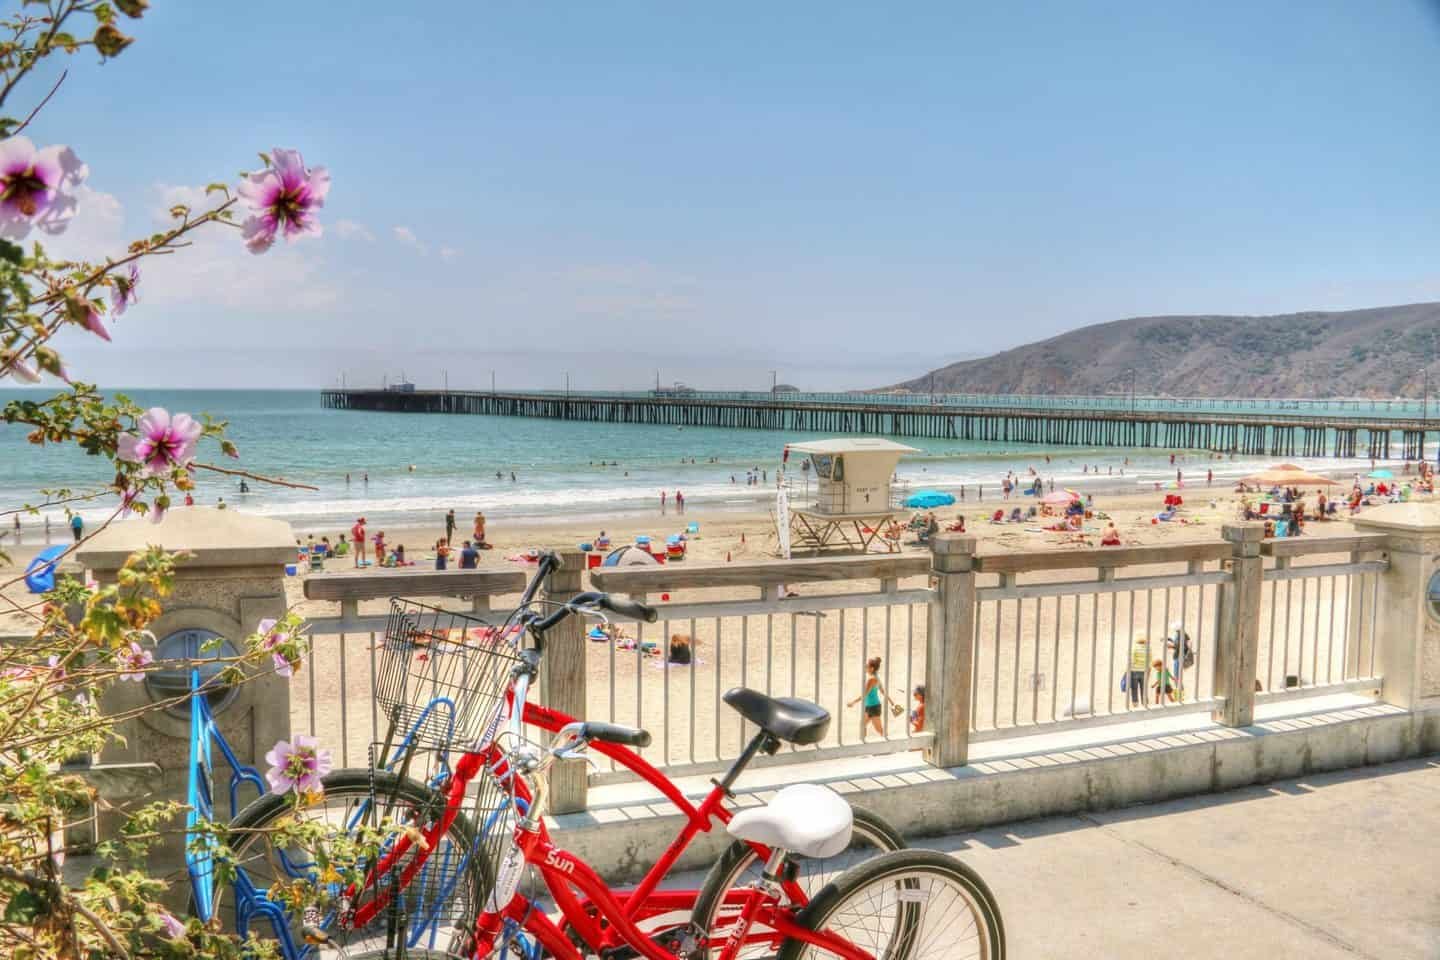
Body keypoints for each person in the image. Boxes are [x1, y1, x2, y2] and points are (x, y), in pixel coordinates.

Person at [847, 656, 897, 739]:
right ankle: (863, 744)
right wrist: (892, 703)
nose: (865, 667)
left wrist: (853, 702)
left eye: (867, 666)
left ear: (872, 668)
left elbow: (864, 694)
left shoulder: (872, 680)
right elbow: (883, 691)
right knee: (862, 725)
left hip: (874, 707)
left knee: (879, 729)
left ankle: (889, 745)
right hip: (870, 706)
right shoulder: (876, 678)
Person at [1125, 633, 1149, 706]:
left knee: (1134, 688)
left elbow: (1132, 660)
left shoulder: (1134, 648)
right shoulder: (1148, 648)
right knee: (1143, 688)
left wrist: (1127, 670)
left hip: (1134, 671)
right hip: (1144, 671)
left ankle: (1135, 704)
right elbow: (1149, 660)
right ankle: (1144, 703)